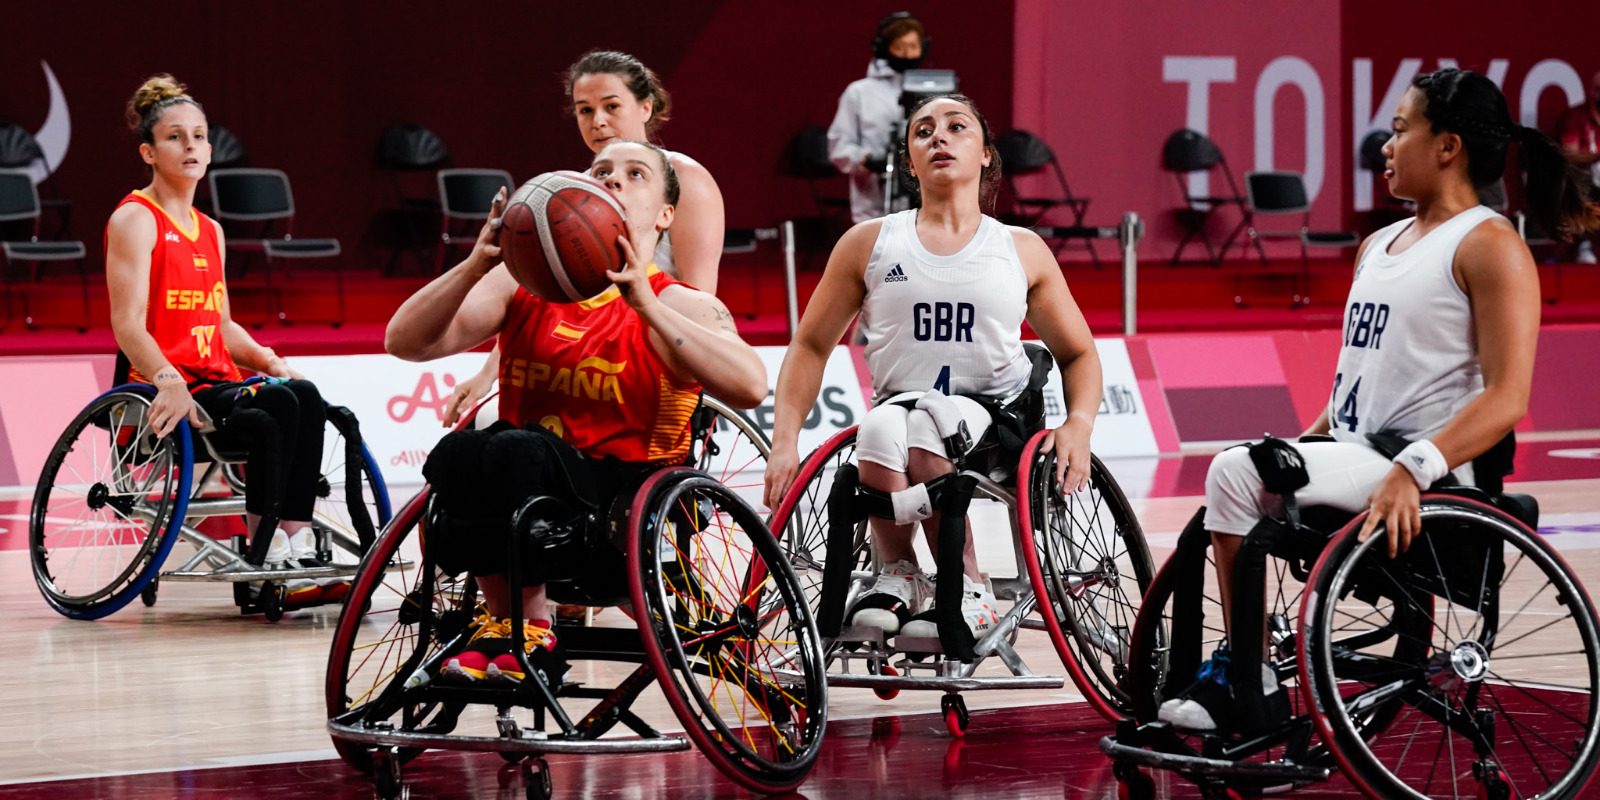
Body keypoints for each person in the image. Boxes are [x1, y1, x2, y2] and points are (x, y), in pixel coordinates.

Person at [1158, 67, 1600, 733]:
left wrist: (1414, 468)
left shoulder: (1491, 245)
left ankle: (1248, 685)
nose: (1387, 146)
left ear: (1447, 147)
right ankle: (1235, 667)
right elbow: (1353, 390)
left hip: (1436, 476)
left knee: (1233, 471)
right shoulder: (1376, 246)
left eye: (1400, 130)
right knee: (1244, 471)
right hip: (1362, 457)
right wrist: (1305, 442)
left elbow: (1508, 398)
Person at [385, 140, 766, 683]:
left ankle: (528, 627)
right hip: (519, 495)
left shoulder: (680, 302)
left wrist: (647, 307)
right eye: (601, 170)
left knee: (517, 447)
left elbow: (750, 384)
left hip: (614, 516)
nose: (612, 179)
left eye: (635, 175)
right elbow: (404, 342)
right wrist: (473, 267)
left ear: (665, 215)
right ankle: (502, 623)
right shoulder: (518, 289)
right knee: (460, 450)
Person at [764, 94, 1103, 646]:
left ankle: (969, 582)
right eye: (923, 132)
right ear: (910, 161)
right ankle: (898, 572)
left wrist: (1080, 425)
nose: (939, 137)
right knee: (878, 427)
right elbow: (808, 346)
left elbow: (1079, 353)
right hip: (903, 414)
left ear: (987, 155)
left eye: (956, 127)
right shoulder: (869, 243)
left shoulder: (1020, 248)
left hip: (999, 422)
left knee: (929, 425)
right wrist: (784, 439)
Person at [105, 74, 343, 607]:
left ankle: (293, 540)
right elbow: (127, 323)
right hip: (161, 384)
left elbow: (221, 323)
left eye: (198, 136)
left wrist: (273, 361)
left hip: (214, 380)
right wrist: (167, 380)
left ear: (211, 149)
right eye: (174, 137)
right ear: (148, 150)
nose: (190, 146)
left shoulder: (209, 230)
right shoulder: (135, 220)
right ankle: (264, 551)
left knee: (301, 394)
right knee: (273, 408)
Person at [441, 50, 726, 426]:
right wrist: (488, 373)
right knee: (483, 430)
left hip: (648, 357)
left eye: (611, 106)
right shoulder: (575, 190)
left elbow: (699, 299)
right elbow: (537, 299)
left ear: (646, 106)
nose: (599, 122)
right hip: (576, 354)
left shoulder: (686, 179)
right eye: (585, 110)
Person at [827, 11, 928, 223]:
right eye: (900, 47)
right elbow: (838, 147)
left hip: (925, 205)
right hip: (875, 204)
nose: (907, 54)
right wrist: (866, 161)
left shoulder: (935, 93)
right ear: (884, 48)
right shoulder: (859, 93)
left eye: (913, 47)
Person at [1554, 68, 1600, 263]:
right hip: (1583, 182)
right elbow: (1568, 154)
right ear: (1593, 91)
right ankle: (1584, 245)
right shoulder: (1575, 118)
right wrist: (1596, 156)